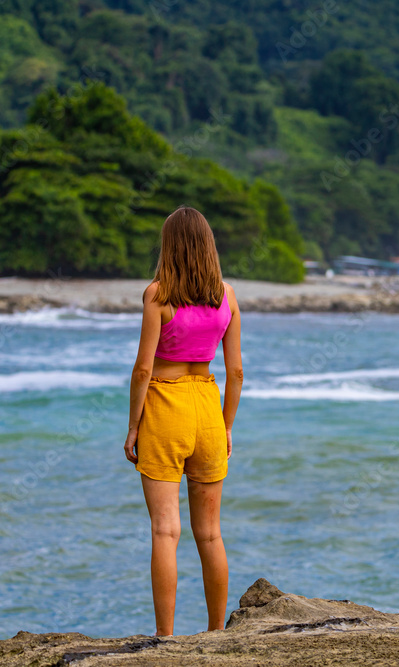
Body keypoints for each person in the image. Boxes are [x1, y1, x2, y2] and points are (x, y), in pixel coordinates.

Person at [123, 205, 243, 636]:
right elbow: (237, 373)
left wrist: (134, 426)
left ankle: (165, 638)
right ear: (209, 246)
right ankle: (217, 633)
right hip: (208, 409)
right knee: (209, 533)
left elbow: (142, 369)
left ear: (168, 246)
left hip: (165, 409)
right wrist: (226, 426)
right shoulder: (227, 297)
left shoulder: (157, 294)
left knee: (164, 532)